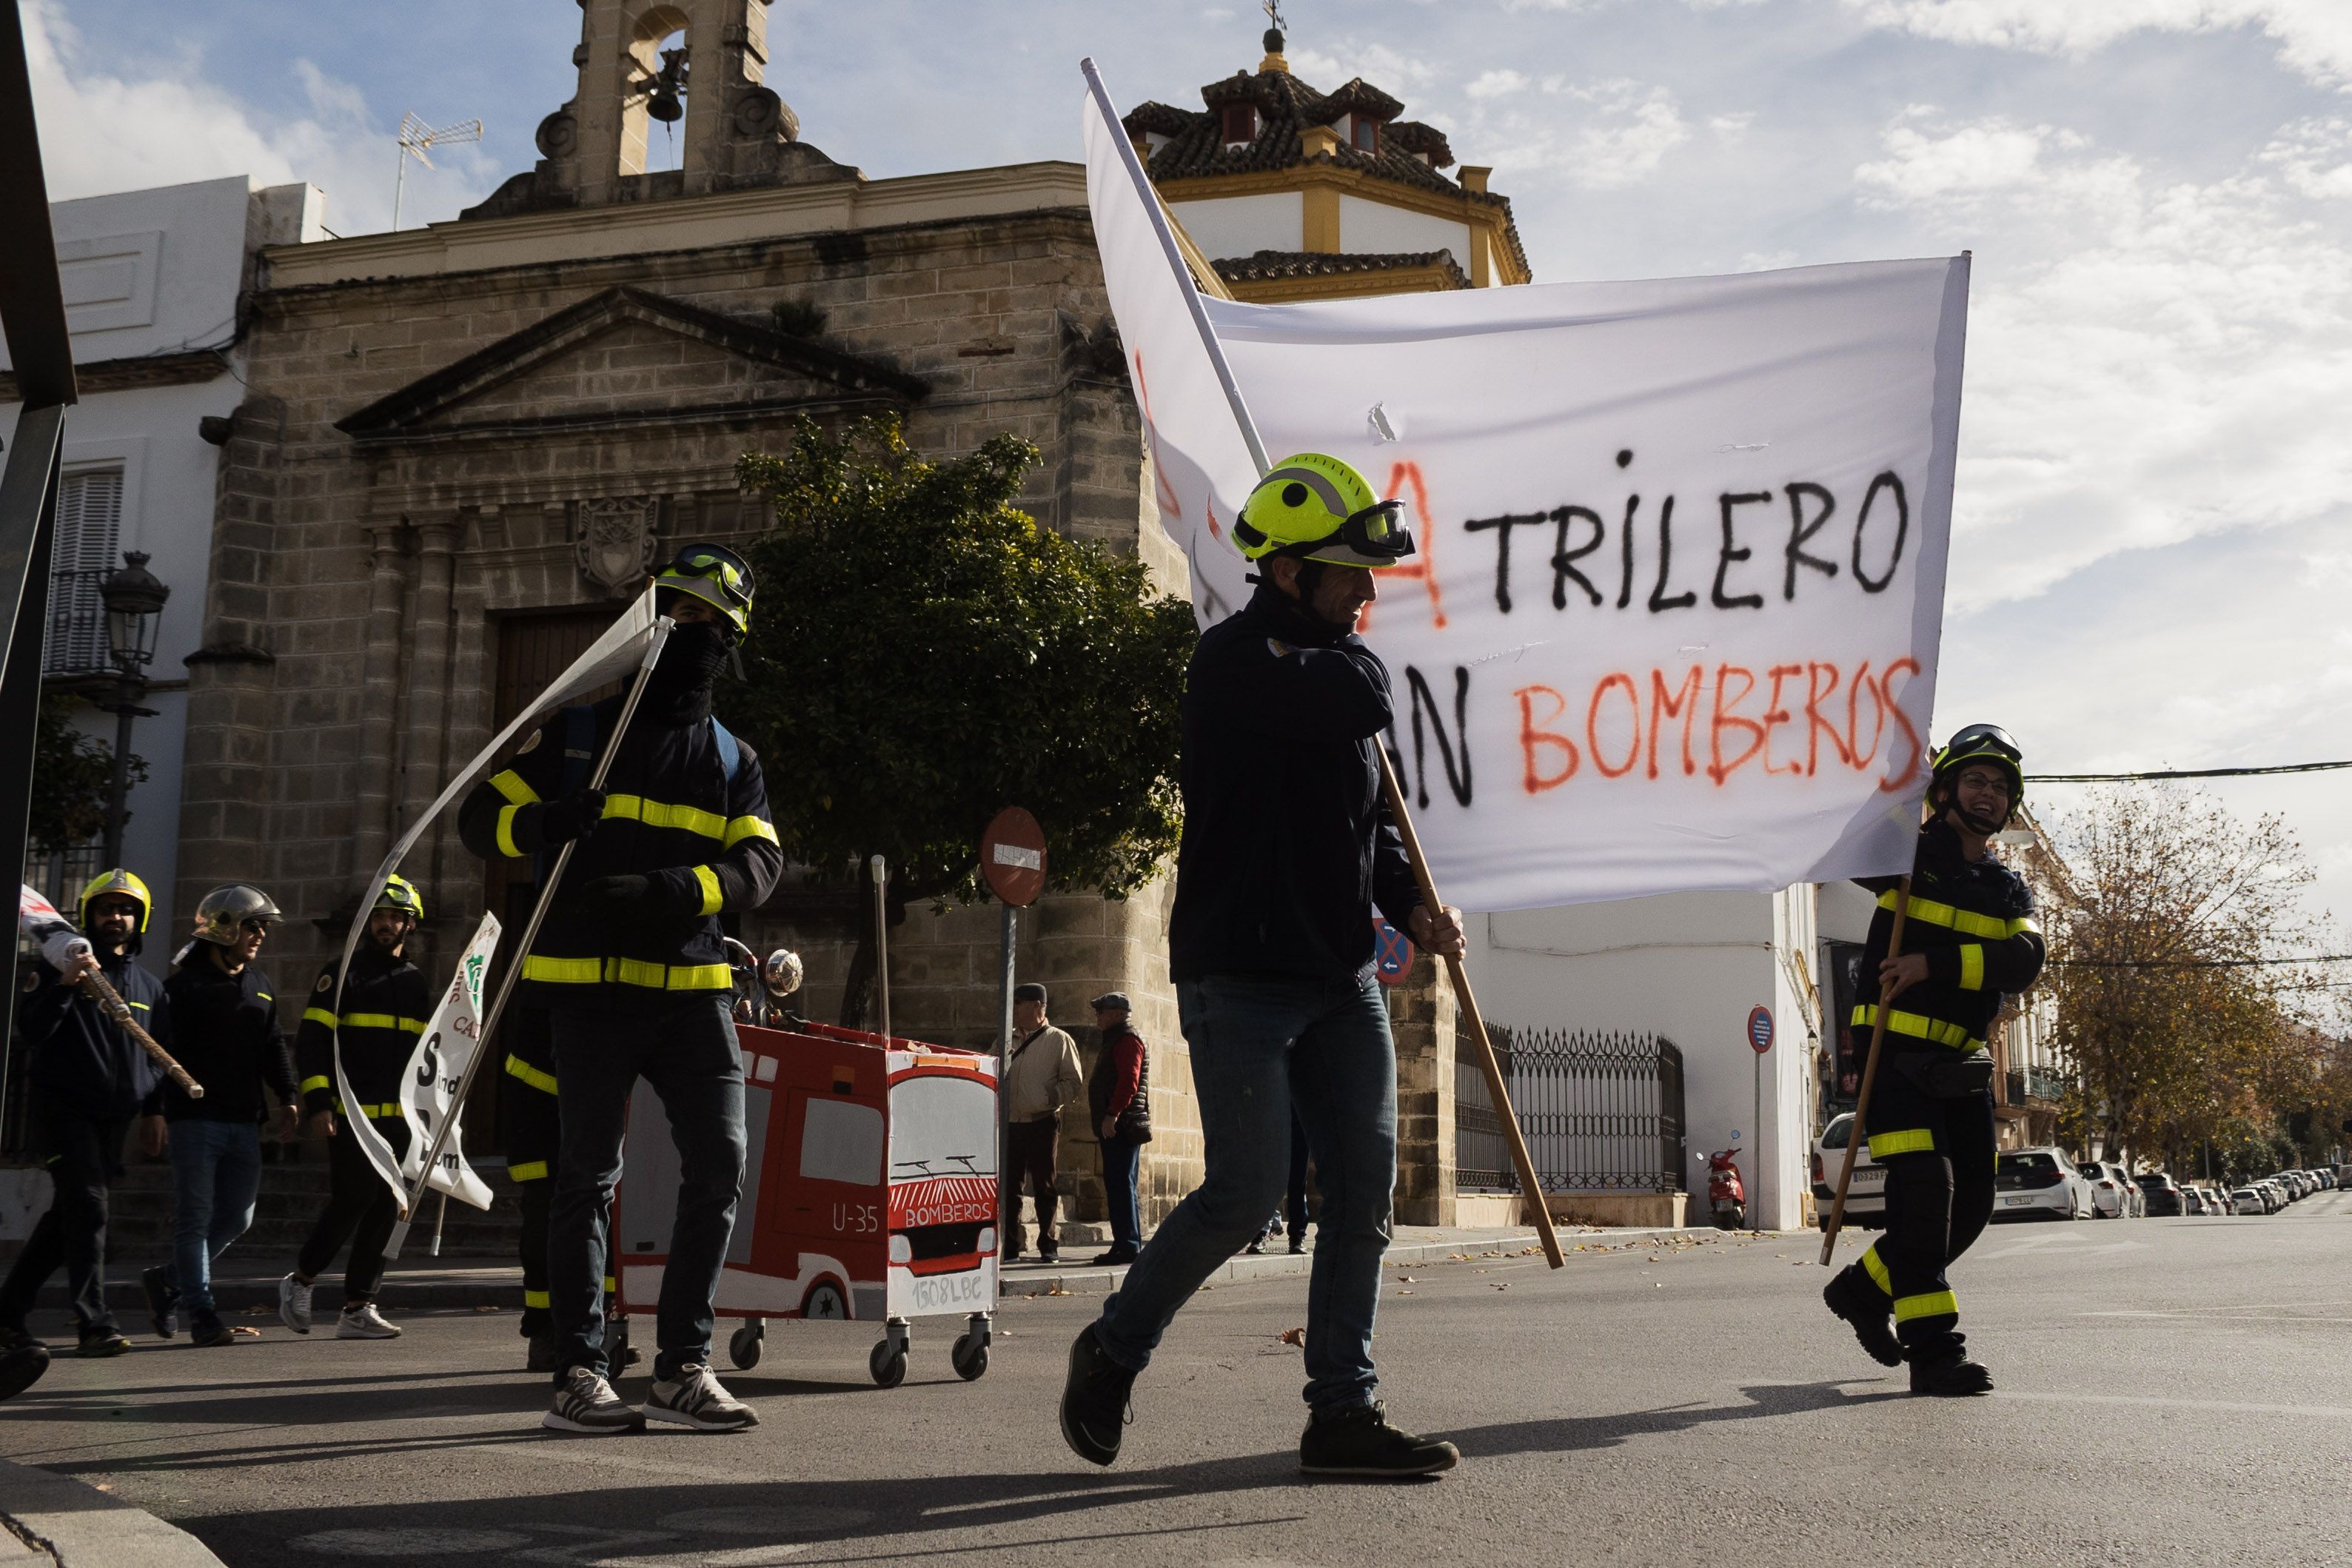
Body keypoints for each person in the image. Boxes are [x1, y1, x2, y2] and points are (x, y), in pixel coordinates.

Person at [1059, 453, 1466, 1478]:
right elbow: (1361, 692)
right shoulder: (1237, 661)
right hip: (1240, 976)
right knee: (1244, 1194)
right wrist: (1355, 665)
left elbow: (1373, 831)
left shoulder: (1331, 675)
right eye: (1349, 572)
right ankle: (1114, 1347)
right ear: (1287, 573)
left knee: (1363, 1193)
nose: (1367, 592)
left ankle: (1342, 1412)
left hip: (1341, 980)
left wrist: (1414, 909)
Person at [458, 543, 782, 1435]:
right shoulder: (576, 735)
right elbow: (479, 820)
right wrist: (545, 821)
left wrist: (675, 891)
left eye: (705, 619)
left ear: (730, 640)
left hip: (693, 994)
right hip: (588, 994)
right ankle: (579, 1371)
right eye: (673, 608)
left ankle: (683, 1369)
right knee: (586, 1179)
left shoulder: (733, 759)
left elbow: (759, 866)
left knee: (720, 1165)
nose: (685, 627)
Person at [1820, 724, 2046, 1396]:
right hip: (1895, 1060)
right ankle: (1934, 1353)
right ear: (1944, 788)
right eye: (1974, 779)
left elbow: (2023, 961)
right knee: (1923, 1198)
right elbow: (1842, 841)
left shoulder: (2007, 889)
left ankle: (1864, 1290)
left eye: (1999, 786)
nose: (1987, 794)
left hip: (1962, 1066)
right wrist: (1900, 783)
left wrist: (1932, 964)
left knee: (1969, 1208)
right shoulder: (1904, 856)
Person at [0, 871, 170, 1393]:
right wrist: (67, 985)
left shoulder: (150, 988)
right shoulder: (58, 968)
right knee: (90, 1206)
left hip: (114, 1120)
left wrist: (153, 1111)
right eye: (105, 909)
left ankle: (7, 1312)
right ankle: (94, 1323)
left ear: (140, 919)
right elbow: (32, 1031)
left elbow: (156, 1053)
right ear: (89, 915)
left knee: (67, 1219)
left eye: (125, 909)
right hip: (63, 1112)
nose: (115, 917)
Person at [142, 884, 299, 1348]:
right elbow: (157, 1055)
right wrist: (153, 1111)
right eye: (253, 926)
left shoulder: (260, 984)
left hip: (244, 1121)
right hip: (194, 1121)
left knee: (237, 1218)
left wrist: (287, 1096)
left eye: (263, 927)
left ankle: (168, 1279)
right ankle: (202, 1313)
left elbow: (273, 1044)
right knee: (195, 1218)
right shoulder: (181, 989)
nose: (260, 935)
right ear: (223, 927)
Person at [277, 875, 431, 1341]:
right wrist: (319, 1103)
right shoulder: (342, 973)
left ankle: (358, 1307)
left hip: (399, 1121)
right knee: (354, 1199)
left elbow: (427, 1057)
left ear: (410, 924)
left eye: (395, 917)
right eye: (379, 916)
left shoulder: (416, 982)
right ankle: (301, 1279)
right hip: (352, 1117)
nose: (386, 924)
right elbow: (313, 1042)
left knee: (388, 1207)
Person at [999, 983, 1082, 1263]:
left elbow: (1073, 1082)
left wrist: (1048, 1098)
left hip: (1042, 1122)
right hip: (1011, 1122)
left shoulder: (1059, 1040)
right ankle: (1010, 1247)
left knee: (1045, 1186)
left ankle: (1049, 1245)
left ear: (1037, 1006)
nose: (1014, 1008)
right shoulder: (1006, 1040)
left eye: (1019, 1002)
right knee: (1010, 1188)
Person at [1086, 993, 1150, 1266]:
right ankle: (1126, 1243)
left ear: (1117, 1014)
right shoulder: (1117, 1038)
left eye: (1101, 1012)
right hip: (1120, 1124)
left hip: (1122, 1126)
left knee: (1121, 1185)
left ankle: (1128, 1245)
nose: (1097, 1017)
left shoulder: (1126, 1039)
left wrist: (1112, 1114)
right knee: (1121, 1184)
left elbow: (1128, 1082)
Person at [1249, 1114, 1313, 1256]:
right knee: (1269, 1173)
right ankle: (1262, 1231)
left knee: (1298, 1177)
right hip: (1274, 1111)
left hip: (1301, 1112)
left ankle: (1297, 1236)